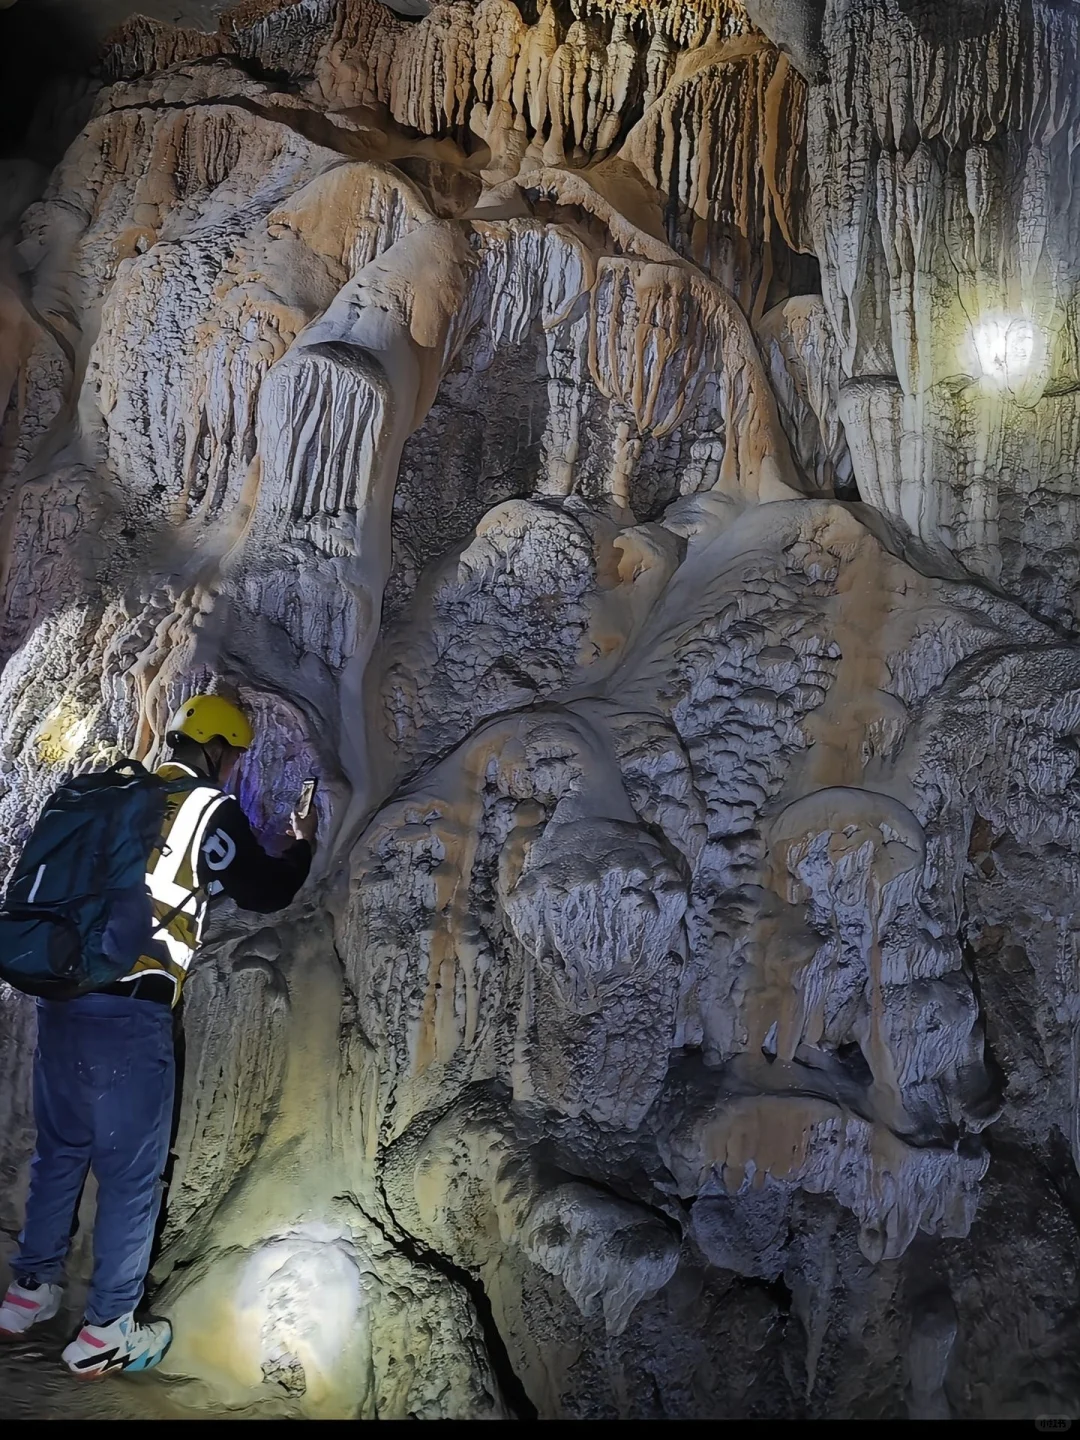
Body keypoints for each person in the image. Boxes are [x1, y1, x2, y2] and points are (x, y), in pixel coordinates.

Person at [0, 695, 317, 1376]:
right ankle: (107, 1329)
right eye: (233, 757)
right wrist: (300, 846)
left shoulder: (121, 796)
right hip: (130, 1014)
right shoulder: (206, 808)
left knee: (60, 1151)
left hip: (62, 1002)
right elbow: (262, 890)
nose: (234, 770)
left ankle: (27, 1294)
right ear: (218, 751)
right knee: (131, 1174)